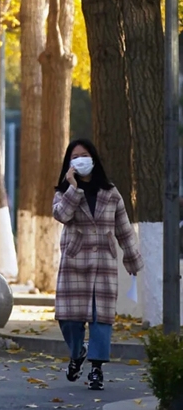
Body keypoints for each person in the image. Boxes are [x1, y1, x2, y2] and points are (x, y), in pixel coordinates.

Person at [53, 138, 143, 391]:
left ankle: (96, 369)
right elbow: (61, 215)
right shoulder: (63, 192)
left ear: (93, 158)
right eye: (75, 156)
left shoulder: (111, 193)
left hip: (104, 263)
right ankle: (77, 352)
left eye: (84, 154)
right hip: (74, 263)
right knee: (68, 319)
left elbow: (124, 229)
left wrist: (132, 258)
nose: (80, 159)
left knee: (100, 319)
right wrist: (73, 188)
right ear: (69, 164)